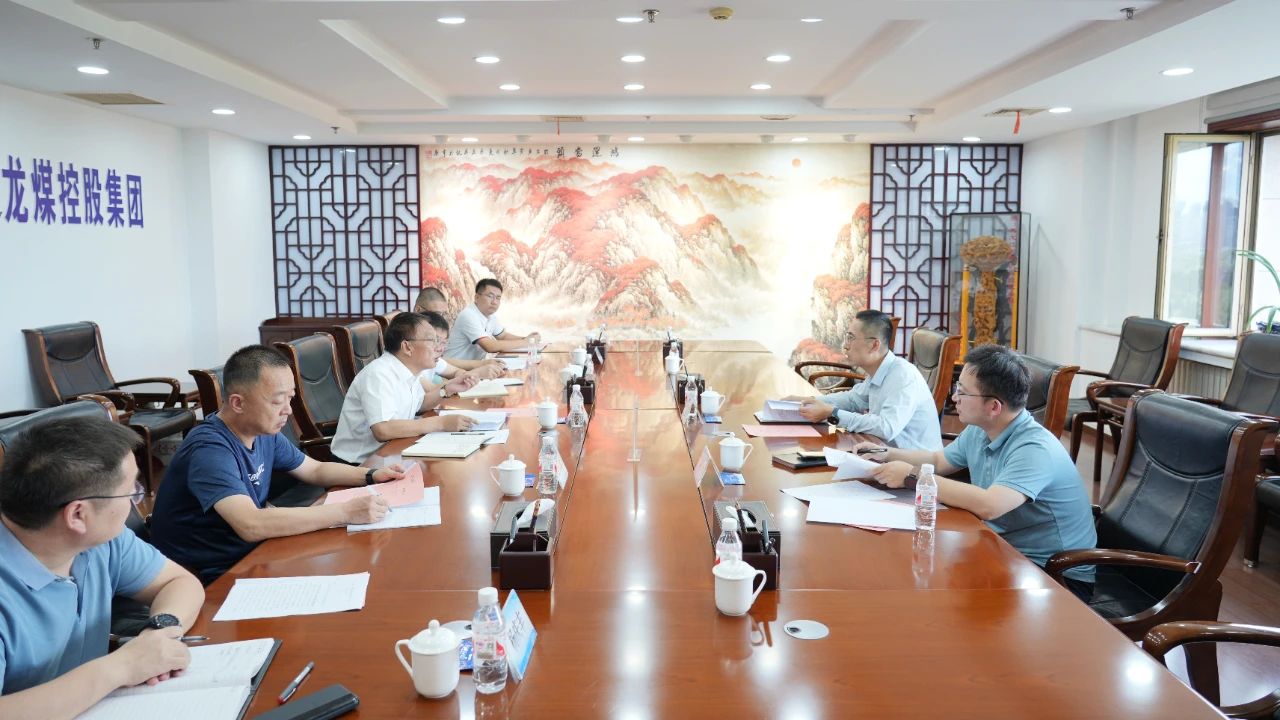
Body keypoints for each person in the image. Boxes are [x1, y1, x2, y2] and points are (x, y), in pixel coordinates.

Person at [854, 344, 1097, 600]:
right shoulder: (982, 428)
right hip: (1004, 549)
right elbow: (939, 460)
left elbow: (990, 505)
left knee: (933, 590)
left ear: (994, 406)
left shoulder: (1035, 448)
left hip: (1055, 575)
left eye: (962, 392)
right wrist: (887, 453)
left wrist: (912, 477)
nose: (954, 398)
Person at [0, 417, 205, 719]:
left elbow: (178, 582)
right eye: (131, 491)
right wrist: (121, 667)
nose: (135, 501)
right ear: (77, 515)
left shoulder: (101, 541)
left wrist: (159, 632)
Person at [150, 345, 404, 584]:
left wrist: (371, 475)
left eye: (290, 398)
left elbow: (314, 469)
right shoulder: (210, 449)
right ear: (238, 403)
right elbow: (251, 524)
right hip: (209, 573)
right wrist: (345, 513)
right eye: (277, 401)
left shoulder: (262, 432)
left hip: (252, 551)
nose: (288, 410)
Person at [332, 312, 482, 465]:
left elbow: (419, 404)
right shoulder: (379, 374)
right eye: (432, 340)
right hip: (359, 464)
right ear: (407, 347)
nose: (439, 348)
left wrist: (447, 389)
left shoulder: (408, 369)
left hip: (392, 452)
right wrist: (441, 423)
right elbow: (383, 429)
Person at [786, 310, 942, 450]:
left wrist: (832, 413)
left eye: (851, 338)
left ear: (874, 345)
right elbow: (853, 400)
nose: (845, 346)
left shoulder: (903, 376)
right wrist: (809, 401)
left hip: (916, 467)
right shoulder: (878, 370)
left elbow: (886, 428)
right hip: (883, 454)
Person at [444, 278, 540, 362]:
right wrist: (526, 342)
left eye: (498, 298)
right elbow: (490, 346)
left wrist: (527, 338)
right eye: (490, 296)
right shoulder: (468, 315)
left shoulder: (490, 316)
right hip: (453, 370)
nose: (494, 302)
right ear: (477, 297)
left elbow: (503, 336)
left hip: (472, 368)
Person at [415, 286, 506, 375]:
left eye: (443, 314)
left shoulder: (433, 332)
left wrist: (480, 367)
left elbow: (442, 363)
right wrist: (480, 367)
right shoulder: (411, 335)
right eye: (437, 314)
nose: (441, 319)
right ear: (418, 309)